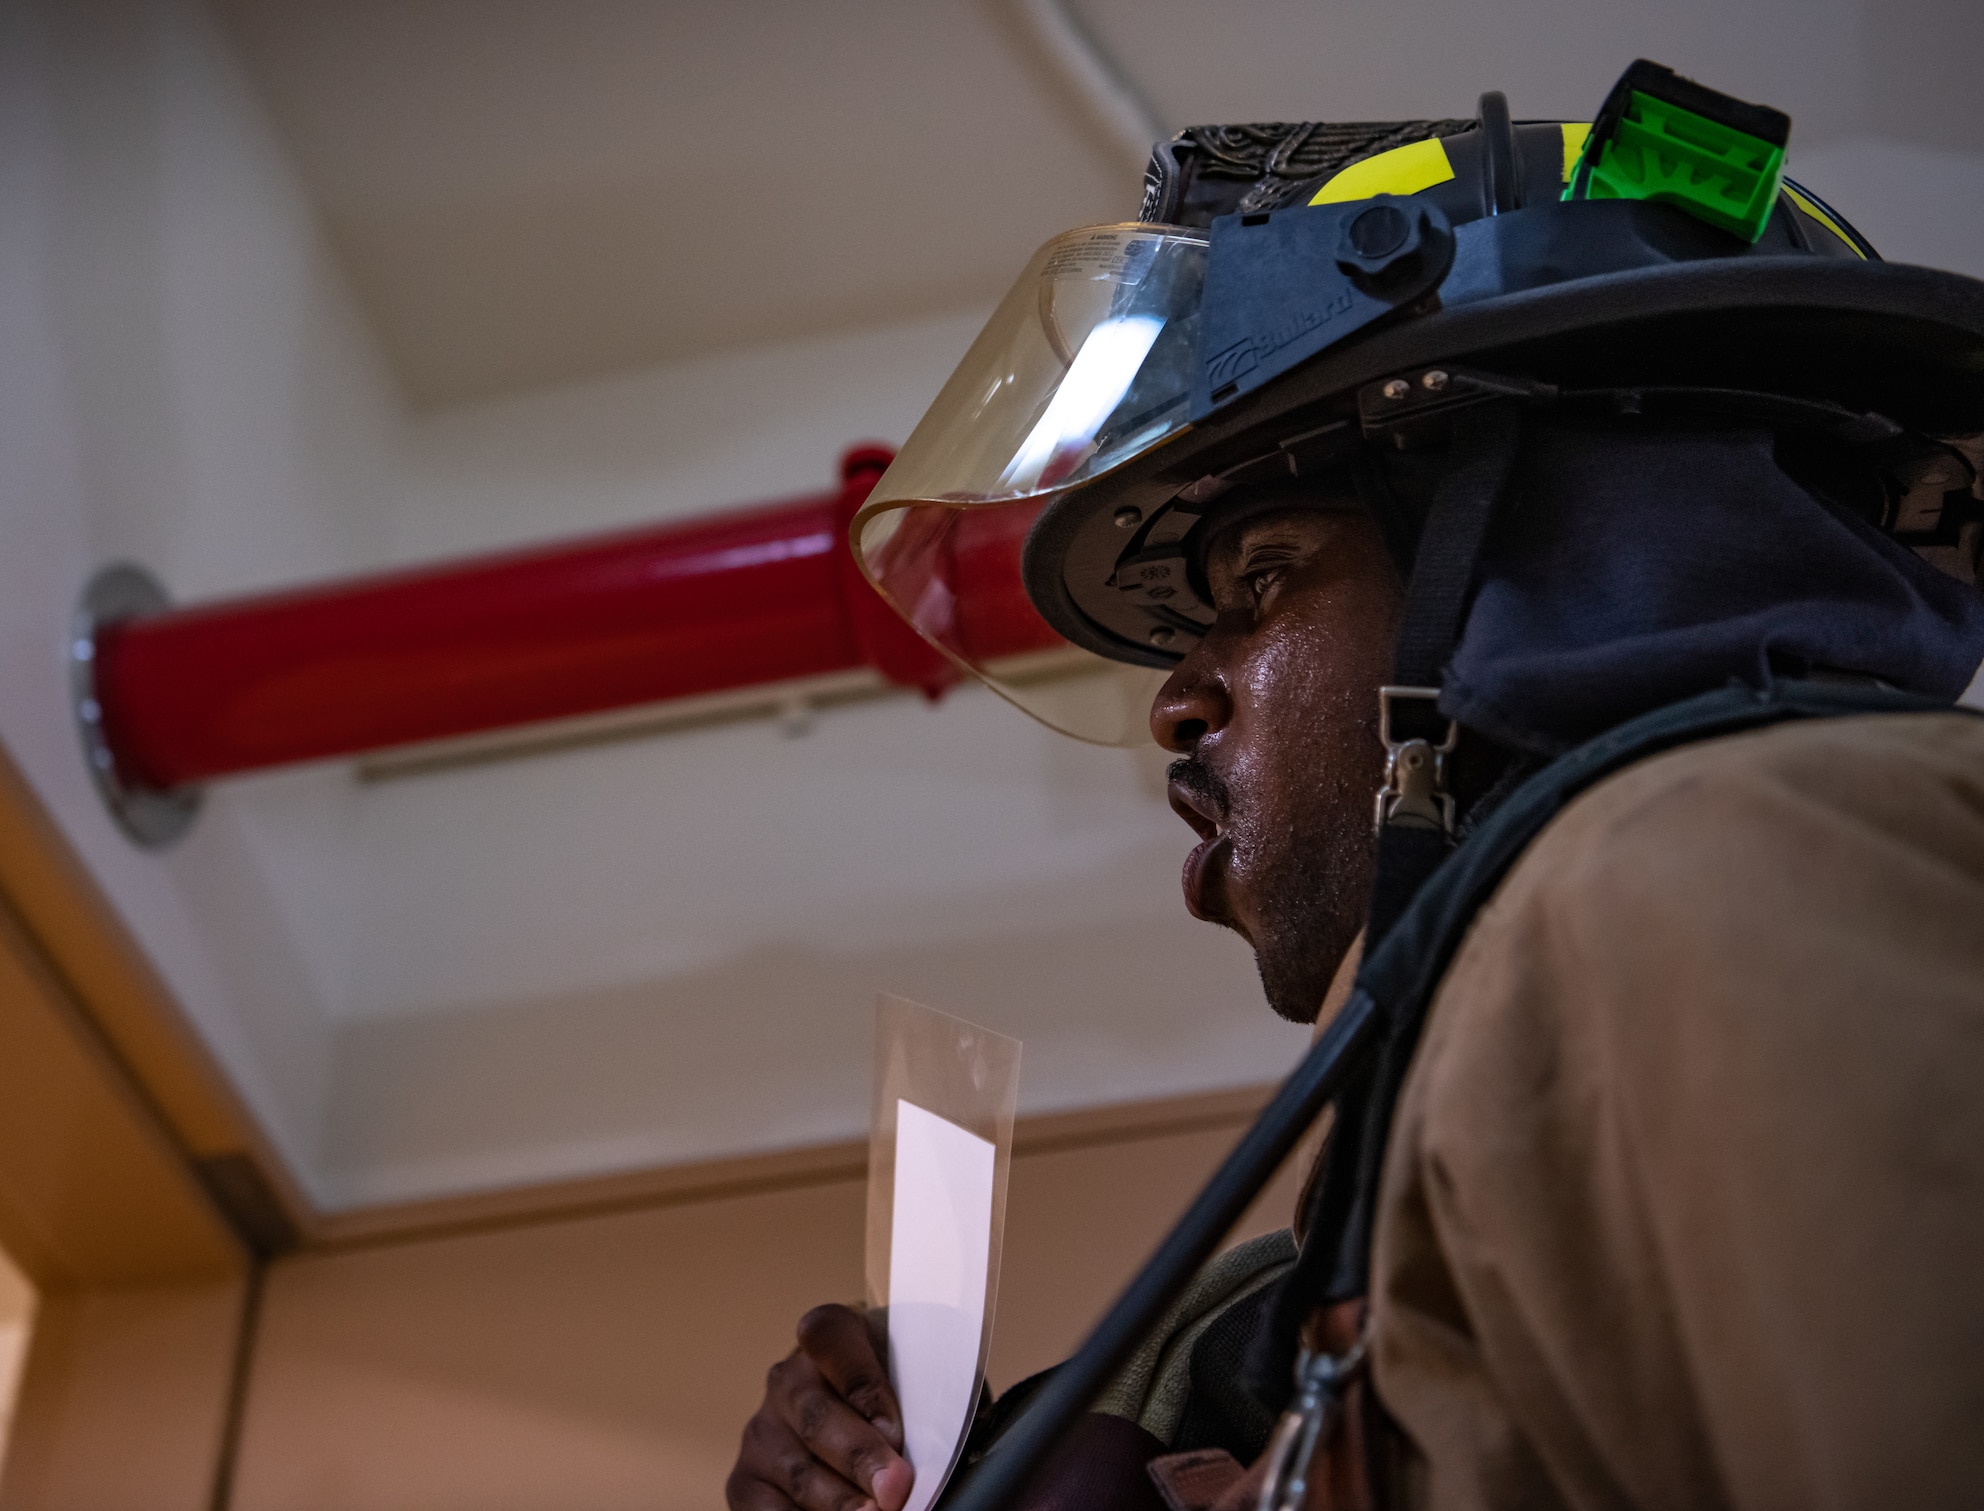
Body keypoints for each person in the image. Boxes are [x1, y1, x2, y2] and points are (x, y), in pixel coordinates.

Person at [728, 61, 1984, 1511]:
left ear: (1545, 548)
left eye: (1257, 581)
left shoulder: (1721, 867)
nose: (1176, 704)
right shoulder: (1345, 1225)